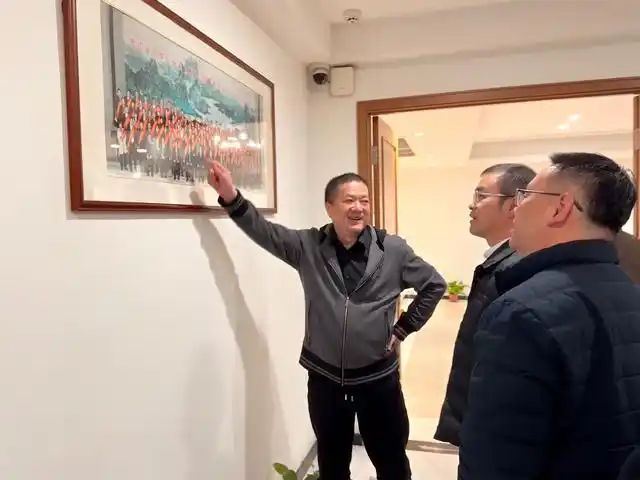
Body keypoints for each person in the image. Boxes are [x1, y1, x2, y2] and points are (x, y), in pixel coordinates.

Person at [207, 161, 446, 480]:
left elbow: (434, 285)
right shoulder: (307, 246)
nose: (358, 207)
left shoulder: (393, 250)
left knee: (391, 463)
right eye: (349, 200)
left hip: (379, 379)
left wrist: (405, 326)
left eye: (364, 200)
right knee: (332, 466)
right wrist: (231, 198)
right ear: (329, 207)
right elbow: (265, 232)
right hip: (325, 380)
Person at [459, 152, 640, 479]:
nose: (516, 208)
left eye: (526, 195)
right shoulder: (631, 292)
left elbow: (496, 462)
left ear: (561, 208)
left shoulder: (521, 313)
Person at [434, 163, 536, 447]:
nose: (472, 204)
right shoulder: (501, 262)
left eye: (481, 196)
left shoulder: (517, 269)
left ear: (513, 206)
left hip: (495, 431)